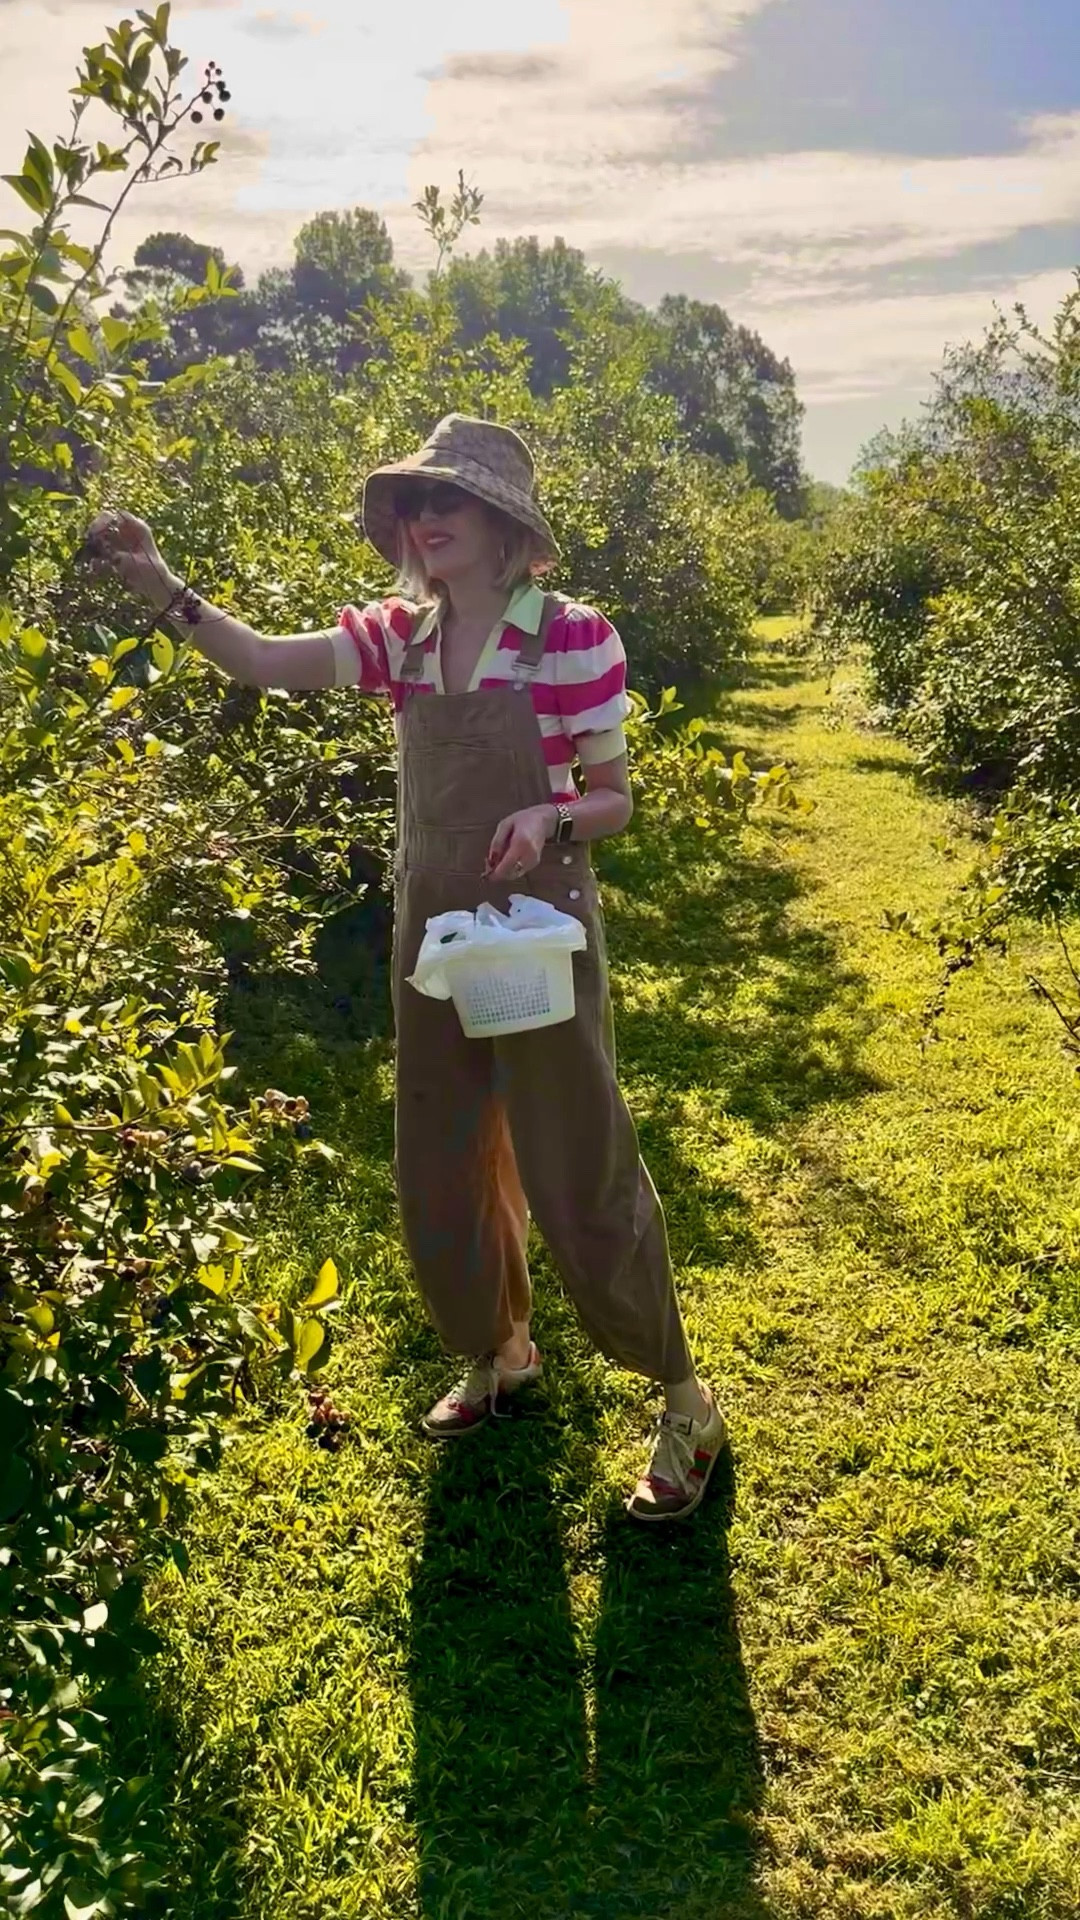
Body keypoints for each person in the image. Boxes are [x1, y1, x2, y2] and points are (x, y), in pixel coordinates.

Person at [87, 413, 728, 1521]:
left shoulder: (573, 637)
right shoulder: (402, 637)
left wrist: (549, 815)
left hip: (537, 929)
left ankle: (684, 1400)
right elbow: (266, 662)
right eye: (416, 503)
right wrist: (158, 582)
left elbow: (614, 799)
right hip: (435, 935)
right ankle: (500, 1352)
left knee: (576, 1161)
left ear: (504, 525)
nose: (427, 519)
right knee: (443, 1157)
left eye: (450, 501)